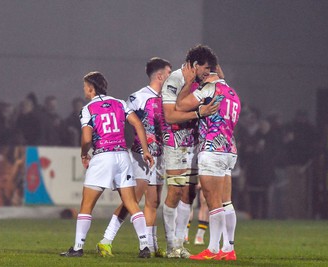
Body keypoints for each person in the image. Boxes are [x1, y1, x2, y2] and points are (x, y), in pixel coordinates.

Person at [60, 71, 154, 258]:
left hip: (103, 156)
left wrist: (83, 153)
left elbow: (87, 138)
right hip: (122, 156)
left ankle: (78, 248)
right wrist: (145, 150)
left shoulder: (88, 109)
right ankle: (144, 246)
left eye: (85, 86)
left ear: (92, 88)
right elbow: (138, 125)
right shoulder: (120, 103)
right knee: (132, 203)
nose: (84, 89)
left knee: (87, 204)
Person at [96, 58, 171, 258]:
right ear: (160, 75)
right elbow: (124, 122)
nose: (172, 77)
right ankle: (106, 240)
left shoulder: (167, 98)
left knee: (153, 202)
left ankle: (153, 246)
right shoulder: (139, 97)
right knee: (133, 200)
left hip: (160, 156)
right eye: (169, 73)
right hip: (141, 155)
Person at [176, 66, 241, 261]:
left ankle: (212, 250)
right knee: (226, 201)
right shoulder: (232, 92)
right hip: (229, 149)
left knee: (212, 203)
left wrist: (188, 83)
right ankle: (229, 249)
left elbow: (180, 106)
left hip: (212, 148)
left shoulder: (209, 88)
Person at [161, 44, 219, 258]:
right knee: (175, 192)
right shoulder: (175, 79)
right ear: (195, 65)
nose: (208, 73)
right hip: (176, 144)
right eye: (206, 68)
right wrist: (199, 113)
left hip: (194, 143)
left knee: (189, 195)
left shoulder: (200, 81)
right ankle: (170, 245)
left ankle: (179, 243)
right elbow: (170, 116)